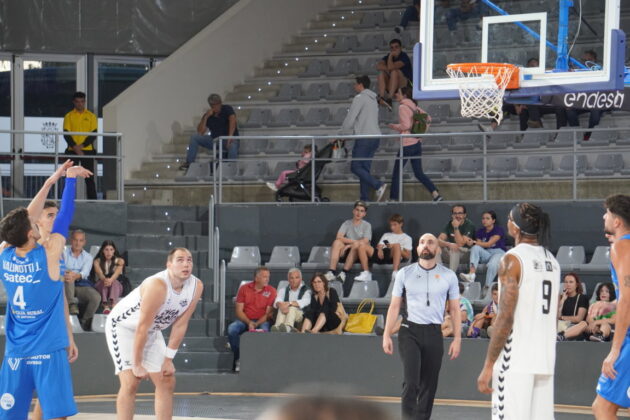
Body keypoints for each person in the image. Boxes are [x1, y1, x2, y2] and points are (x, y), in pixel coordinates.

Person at [0, 160, 90, 420]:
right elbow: (65, 216)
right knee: (57, 415)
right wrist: (69, 180)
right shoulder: (50, 254)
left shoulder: (5, 251)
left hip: (16, 351)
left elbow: (58, 297)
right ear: (30, 232)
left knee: (11, 416)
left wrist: (51, 181)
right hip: (48, 349)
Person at [477, 203, 560, 420]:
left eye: (508, 219)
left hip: (516, 360)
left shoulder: (512, 259)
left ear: (515, 227)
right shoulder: (553, 260)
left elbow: (505, 316)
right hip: (545, 359)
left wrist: (488, 365)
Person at [105, 248, 203, 420]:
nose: (186, 264)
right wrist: (136, 364)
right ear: (169, 265)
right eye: (180, 260)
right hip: (123, 327)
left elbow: (181, 323)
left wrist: (168, 360)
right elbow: (141, 327)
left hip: (151, 329)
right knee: (130, 382)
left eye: (189, 260)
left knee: (167, 380)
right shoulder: (157, 285)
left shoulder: (196, 286)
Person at [383, 233, 461, 420]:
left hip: (434, 332)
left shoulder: (448, 276)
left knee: (429, 384)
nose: (426, 245)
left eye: (430, 242)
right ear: (417, 248)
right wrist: (386, 334)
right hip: (410, 330)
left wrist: (457, 338)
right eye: (422, 242)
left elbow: (455, 310)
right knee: (411, 382)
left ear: (437, 249)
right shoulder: (404, 273)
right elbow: (394, 306)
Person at [591, 194, 630, 418]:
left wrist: (614, 350)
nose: (604, 216)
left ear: (616, 221)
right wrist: (611, 305)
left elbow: (627, 298)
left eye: (607, 213)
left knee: (602, 407)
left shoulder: (621, 246)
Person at [387, 86, 443, 202]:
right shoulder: (414, 106)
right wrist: (421, 133)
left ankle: (393, 199)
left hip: (407, 144)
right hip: (417, 143)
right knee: (418, 173)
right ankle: (435, 194)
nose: (396, 94)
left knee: (397, 172)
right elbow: (428, 118)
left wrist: (394, 126)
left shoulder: (403, 107)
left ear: (405, 95)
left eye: (398, 92)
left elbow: (406, 126)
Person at [340, 75, 387, 202]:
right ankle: (364, 198)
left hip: (365, 138)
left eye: (355, 84)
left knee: (355, 167)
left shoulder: (359, 98)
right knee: (364, 169)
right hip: (375, 137)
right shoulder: (373, 99)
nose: (354, 86)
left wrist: (341, 134)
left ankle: (378, 185)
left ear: (360, 84)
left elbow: (350, 118)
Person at [227, 267, 277, 372]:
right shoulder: (244, 288)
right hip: (245, 320)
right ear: (256, 278)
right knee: (232, 329)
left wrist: (256, 323)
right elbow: (239, 311)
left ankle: (261, 364)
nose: (267, 279)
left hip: (262, 320)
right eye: (264, 277)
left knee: (265, 332)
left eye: (268, 277)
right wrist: (249, 322)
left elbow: (269, 314)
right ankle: (239, 358)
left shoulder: (272, 291)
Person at [179, 93, 239, 171]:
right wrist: (206, 117)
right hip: (215, 140)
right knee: (195, 137)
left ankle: (231, 169)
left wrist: (230, 136)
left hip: (228, 139)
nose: (216, 106)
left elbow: (233, 120)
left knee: (233, 145)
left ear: (220, 103)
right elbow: (200, 132)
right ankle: (189, 162)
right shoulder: (208, 115)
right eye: (214, 105)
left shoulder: (227, 109)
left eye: (218, 104)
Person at [354, 213, 412, 282]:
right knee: (362, 246)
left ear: (401, 224)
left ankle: (395, 273)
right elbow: (380, 245)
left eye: (395, 225)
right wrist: (380, 250)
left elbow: (407, 256)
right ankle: (366, 273)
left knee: (397, 245)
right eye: (391, 225)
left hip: (393, 256)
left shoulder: (407, 238)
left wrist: (396, 247)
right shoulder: (387, 235)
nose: (392, 227)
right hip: (382, 254)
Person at [324, 201, 372, 283]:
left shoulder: (367, 225)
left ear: (364, 214)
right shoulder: (347, 223)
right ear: (353, 211)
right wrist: (351, 244)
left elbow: (365, 241)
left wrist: (349, 245)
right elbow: (339, 237)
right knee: (337, 242)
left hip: (360, 252)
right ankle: (331, 272)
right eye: (357, 210)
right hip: (346, 251)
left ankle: (343, 273)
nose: (358, 213)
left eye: (361, 211)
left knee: (357, 244)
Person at [63, 229, 101, 331]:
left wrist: (74, 275)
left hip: (80, 285)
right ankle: (71, 304)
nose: (78, 243)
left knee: (96, 297)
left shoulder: (88, 257)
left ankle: (85, 322)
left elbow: (85, 273)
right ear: (71, 240)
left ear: (84, 242)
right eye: (75, 240)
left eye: (81, 240)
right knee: (68, 276)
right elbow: (59, 267)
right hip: (63, 285)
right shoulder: (63, 253)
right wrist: (69, 273)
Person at [63, 91, 98, 199]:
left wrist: (81, 147)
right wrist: (75, 148)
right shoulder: (69, 116)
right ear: (74, 102)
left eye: (82, 102)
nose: (80, 104)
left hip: (87, 150)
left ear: (85, 102)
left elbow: (93, 134)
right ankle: (67, 200)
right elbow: (66, 134)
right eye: (77, 102)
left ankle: (93, 202)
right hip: (72, 150)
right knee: (69, 177)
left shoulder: (91, 116)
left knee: (89, 178)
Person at [459, 210, 507, 285]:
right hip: (487, 254)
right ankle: (471, 275)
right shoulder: (480, 231)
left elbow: (488, 244)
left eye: (487, 218)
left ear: (493, 220)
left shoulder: (498, 230)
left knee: (492, 265)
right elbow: (480, 244)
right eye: (483, 218)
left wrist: (474, 242)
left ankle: (487, 287)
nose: (484, 220)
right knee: (475, 247)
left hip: (498, 253)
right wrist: (470, 243)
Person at [271, 268, 311, 333]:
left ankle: (288, 327)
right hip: (285, 311)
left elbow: (305, 301)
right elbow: (277, 301)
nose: (294, 280)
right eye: (291, 278)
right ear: (288, 279)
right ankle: (277, 327)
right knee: (281, 308)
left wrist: (289, 303)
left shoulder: (307, 290)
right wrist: (281, 305)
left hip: (300, 315)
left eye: (296, 278)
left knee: (292, 308)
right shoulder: (283, 290)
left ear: (301, 279)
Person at [437, 205, 476, 272]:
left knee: (455, 249)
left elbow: (460, 243)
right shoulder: (449, 224)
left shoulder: (469, 225)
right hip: (451, 252)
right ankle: (439, 275)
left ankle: (451, 276)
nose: (457, 216)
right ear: (452, 215)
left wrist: (456, 227)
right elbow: (438, 240)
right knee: (436, 248)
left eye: (460, 213)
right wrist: (449, 244)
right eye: (455, 213)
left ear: (464, 215)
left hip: (465, 254)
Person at [376, 39, 413, 109]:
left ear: (400, 48)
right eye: (392, 47)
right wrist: (388, 66)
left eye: (396, 47)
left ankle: (389, 99)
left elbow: (391, 67)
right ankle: (382, 97)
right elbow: (378, 66)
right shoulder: (387, 56)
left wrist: (390, 57)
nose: (394, 49)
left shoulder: (404, 56)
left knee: (394, 71)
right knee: (381, 73)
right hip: (393, 85)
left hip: (405, 86)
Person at [93, 240, 126, 314]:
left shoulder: (120, 261)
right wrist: (106, 280)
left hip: (115, 286)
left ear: (114, 250)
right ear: (103, 251)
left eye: (111, 250)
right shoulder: (97, 261)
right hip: (102, 285)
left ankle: (113, 304)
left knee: (114, 282)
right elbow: (100, 274)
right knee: (103, 282)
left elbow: (116, 274)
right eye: (106, 249)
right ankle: (105, 305)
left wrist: (110, 280)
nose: (109, 252)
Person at [556, 272, 589, 341]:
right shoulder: (560, 297)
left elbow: (578, 319)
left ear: (576, 284)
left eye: (571, 282)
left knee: (583, 324)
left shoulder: (582, 298)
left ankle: (562, 336)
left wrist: (562, 317)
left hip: (574, 327)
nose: (568, 285)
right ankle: (560, 336)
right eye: (566, 282)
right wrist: (562, 301)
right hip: (560, 326)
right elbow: (556, 316)